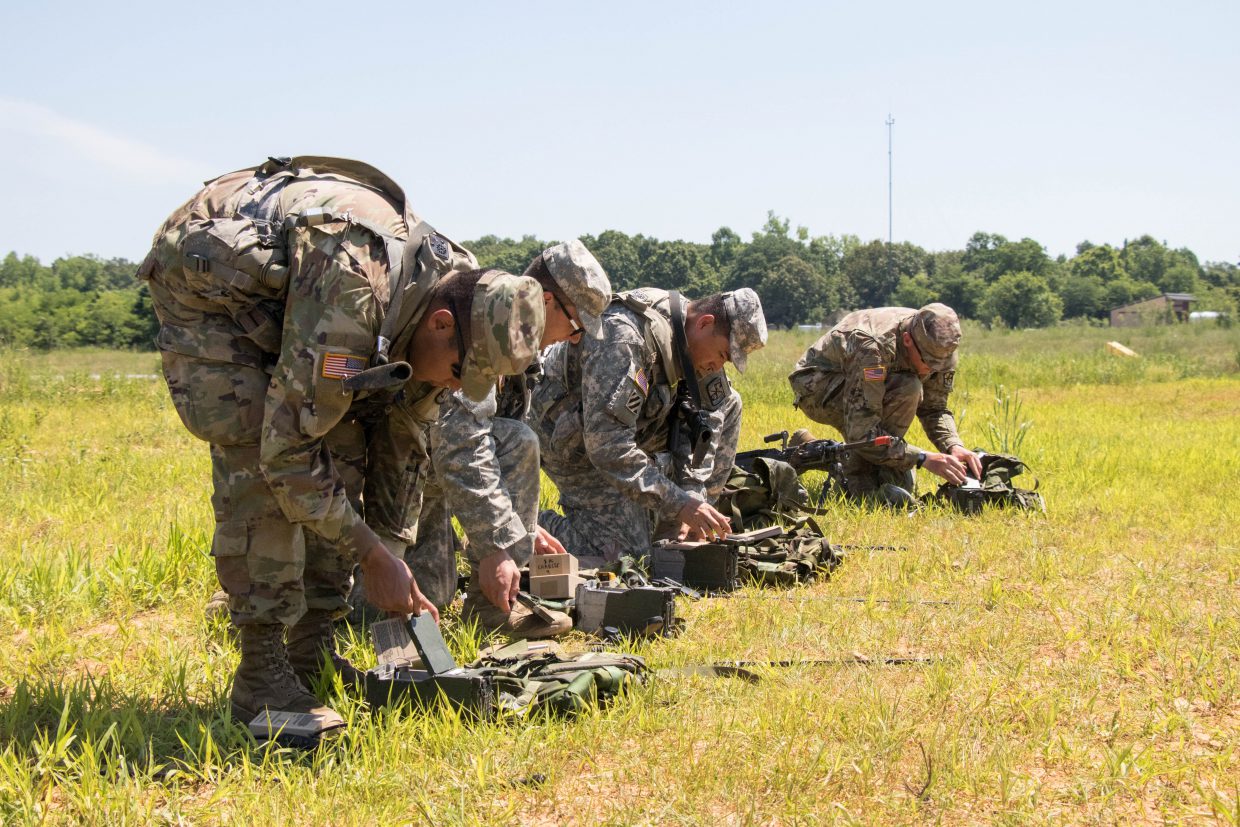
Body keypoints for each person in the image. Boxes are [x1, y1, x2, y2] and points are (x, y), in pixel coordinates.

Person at [138, 156, 545, 732]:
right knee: (260, 450)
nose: (456, 386)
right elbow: (288, 452)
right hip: (214, 297)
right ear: (440, 327)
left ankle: (311, 651)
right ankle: (261, 672)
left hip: (297, 302)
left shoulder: (467, 290)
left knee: (347, 448)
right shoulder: (354, 285)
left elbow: (403, 444)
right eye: (459, 371)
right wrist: (369, 553)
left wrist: (390, 551)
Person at [408, 240, 613, 638]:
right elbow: (464, 444)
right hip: (400, 465)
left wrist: (523, 529)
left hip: (431, 465)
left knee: (434, 591)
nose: (575, 339)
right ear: (549, 302)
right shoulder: (487, 328)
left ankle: (493, 606)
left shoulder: (524, 355)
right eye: (575, 325)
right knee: (519, 442)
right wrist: (498, 540)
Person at [529, 287, 768, 562]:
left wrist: (693, 494)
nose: (717, 367)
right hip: (570, 438)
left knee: (728, 403)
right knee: (625, 555)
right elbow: (608, 446)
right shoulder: (625, 338)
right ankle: (526, 526)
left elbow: (702, 424)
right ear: (705, 323)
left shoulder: (695, 339)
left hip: (628, 428)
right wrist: (678, 502)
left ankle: (684, 525)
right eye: (723, 355)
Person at [787, 303, 982, 504]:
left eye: (939, 366)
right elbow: (862, 430)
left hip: (865, 382)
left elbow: (934, 408)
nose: (931, 372)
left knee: (898, 484)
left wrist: (953, 446)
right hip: (817, 386)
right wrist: (922, 458)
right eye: (928, 364)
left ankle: (811, 448)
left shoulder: (939, 347)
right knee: (908, 389)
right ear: (907, 340)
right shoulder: (872, 347)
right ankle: (854, 475)